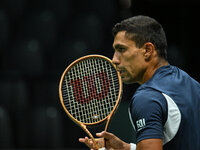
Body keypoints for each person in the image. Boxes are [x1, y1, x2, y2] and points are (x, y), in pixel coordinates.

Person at [79, 15, 200, 150]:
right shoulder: (192, 84)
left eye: (121, 49)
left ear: (147, 51)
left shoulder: (147, 98)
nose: (114, 59)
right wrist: (127, 147)